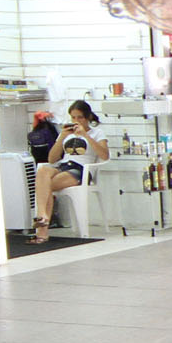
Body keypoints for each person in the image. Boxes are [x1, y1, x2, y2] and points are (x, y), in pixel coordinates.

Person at [29, 100, 109, 243]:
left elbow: (104, 155)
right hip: (63, 165)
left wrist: (86, 136)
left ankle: (42, 229)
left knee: (45, 186)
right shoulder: (68, 133)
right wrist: (62, 138)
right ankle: (43, 216)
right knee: (42, 173)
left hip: (81, 170)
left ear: (87, 118)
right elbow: (52, 159)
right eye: (73, 117)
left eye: (80, 117)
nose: (76, 121)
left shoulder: (97, 133)